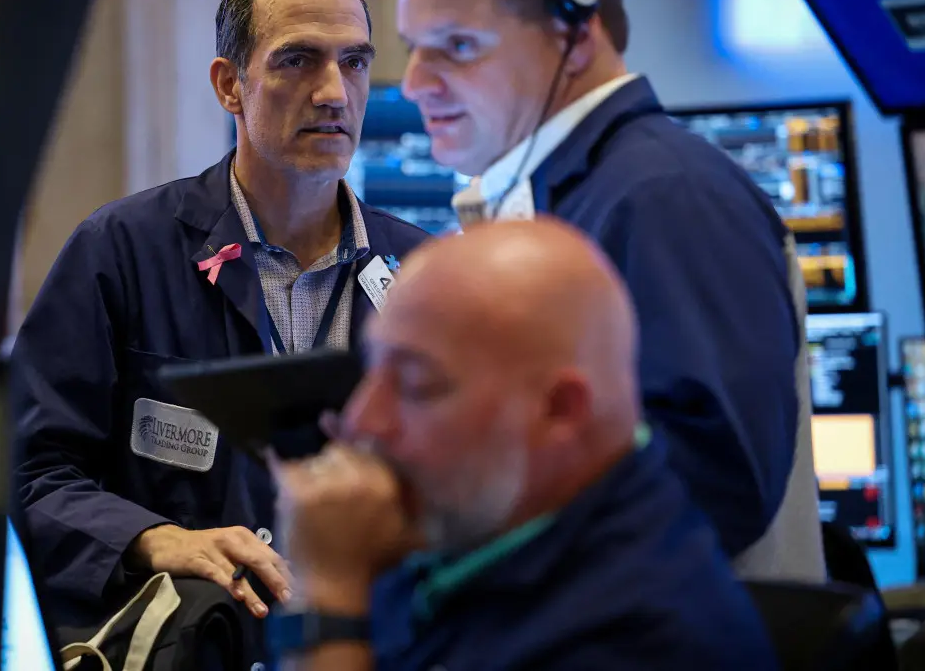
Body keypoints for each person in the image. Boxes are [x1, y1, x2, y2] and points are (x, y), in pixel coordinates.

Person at [393, 0, 824, 580]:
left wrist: (456, 511)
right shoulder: (583, 195)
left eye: (458, 46)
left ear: (576, 30)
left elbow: (714, 482)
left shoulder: (661, 196)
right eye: (415, 46)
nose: (415, 81)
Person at [11, 0, 427, 637]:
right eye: (297, 60)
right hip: (199, 639)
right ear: (230, 85)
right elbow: (27, 471)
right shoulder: (122, 250)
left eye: (354, 61)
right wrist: (150, 538)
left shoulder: (424, 274)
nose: (334, 93)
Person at [266, 219, 779, 670]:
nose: (360, 420)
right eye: (372, 369)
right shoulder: (476, 521)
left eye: (418, 385)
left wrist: (329, 596)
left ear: (561, 410)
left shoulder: (641, 639)